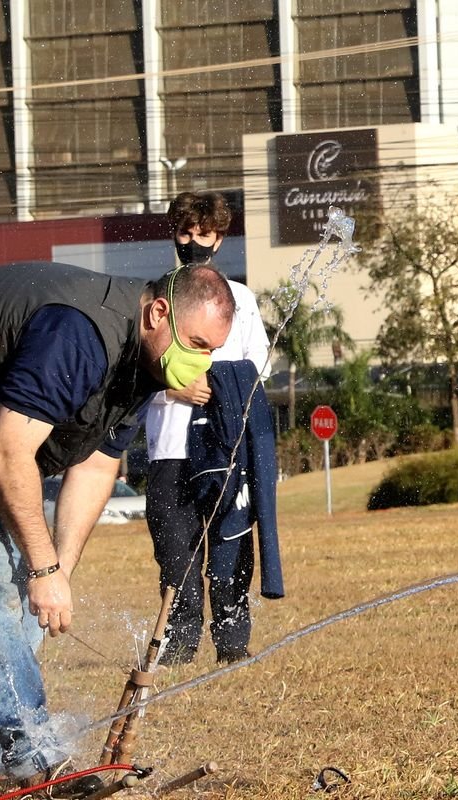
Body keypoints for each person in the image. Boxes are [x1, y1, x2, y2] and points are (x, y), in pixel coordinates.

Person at [0, 259, 235, 794]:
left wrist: (59, 566)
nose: (202, 365)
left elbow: (95, 463)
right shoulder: (81, 333)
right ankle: (35, 757)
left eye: (212, 352)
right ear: (159, 312)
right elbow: (9, 451)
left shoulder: (145, 357)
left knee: (21, 589)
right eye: (199, 345)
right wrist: (41, 567)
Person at [143, 191, 277, 665]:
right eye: (186, 232)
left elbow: (259, 363)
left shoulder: (239, 298)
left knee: (231, 547)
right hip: (169, 449)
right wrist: (170, 388)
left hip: (224, 447)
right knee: (176, 554)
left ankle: (233, 645)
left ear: (219, 240)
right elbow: (131, 368)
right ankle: (177, 648)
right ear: (173, 234)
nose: (194, 241)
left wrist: (220, 382)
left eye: (204, 234)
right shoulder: (154, 295)